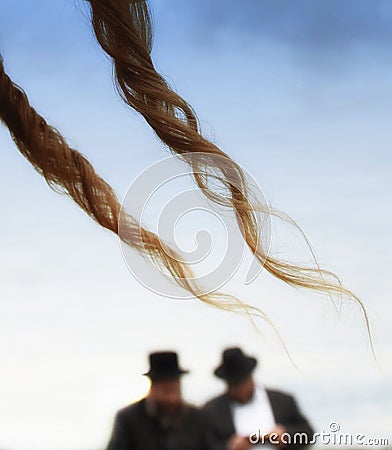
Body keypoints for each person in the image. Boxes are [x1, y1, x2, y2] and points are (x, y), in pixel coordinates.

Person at [203, 347, 314, 450]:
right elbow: (204, 444)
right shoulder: (212, 411)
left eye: (242, 382)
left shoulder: (282, 401)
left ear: (251, 377)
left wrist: (286, 436)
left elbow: (308, 434)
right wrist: (229, 446)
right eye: (234, 384)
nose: (240, 389)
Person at [105, 351, 209, 450]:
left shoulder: (197, 418)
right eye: (166, 392)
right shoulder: (128, 419)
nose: (171, 399)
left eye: (176, 392)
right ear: (152, 389)